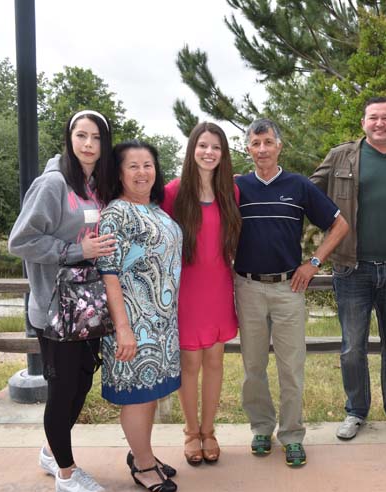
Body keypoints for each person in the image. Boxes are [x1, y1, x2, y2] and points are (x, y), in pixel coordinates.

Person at [310, 96, 386, 442]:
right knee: (352, 348)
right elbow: (308, 193)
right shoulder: (340, 156)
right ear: (363, 122)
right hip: (351, 269)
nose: (380, 123)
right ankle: (355, 411)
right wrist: (329, 232)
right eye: (373, 118)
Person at [8, 109, 115, 492]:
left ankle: (51, 452)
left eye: (96, 138)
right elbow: (20, 241)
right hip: (56, 310)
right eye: (81, 136)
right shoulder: (52, 184)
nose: (88, 144)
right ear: (69, 139)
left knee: (81, 382)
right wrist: (74, 249)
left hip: (87, 308)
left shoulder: (95, 185)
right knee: (63, 386)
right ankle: (67, 474)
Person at [235, 118, 349, 467]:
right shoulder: (236, 187)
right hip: (247, 286)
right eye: (256, 143)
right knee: (253, 367)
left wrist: (313, 262)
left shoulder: (298, 185)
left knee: (291, 368)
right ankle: (261, 428)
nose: (262, 149)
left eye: (268, 142)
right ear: (248, 148)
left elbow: (340, 224)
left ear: (279, 145)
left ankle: (292, 435)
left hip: (288, 287)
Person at [97, 140, 182, 492]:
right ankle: (143, 466)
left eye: (147, 164)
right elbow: (109, 272)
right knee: (136, 395)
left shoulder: (158, 211)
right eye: (133, 165)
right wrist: (123, 329)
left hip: (162, 325)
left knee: (149, 395)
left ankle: (142, 453)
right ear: (119, 172)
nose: (142, 172)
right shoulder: (116, 213)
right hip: (133, 324)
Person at [161, 122, 241, 466]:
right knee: (190, 363)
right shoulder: (173, 192)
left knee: (215, 361)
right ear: (192, 149)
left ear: (223, 155)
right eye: (203, 146)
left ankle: (210, 431)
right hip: (186, 291)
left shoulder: (231, 192)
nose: (209, 152)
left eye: (216, 148)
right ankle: (191, 432)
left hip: (219, 287)